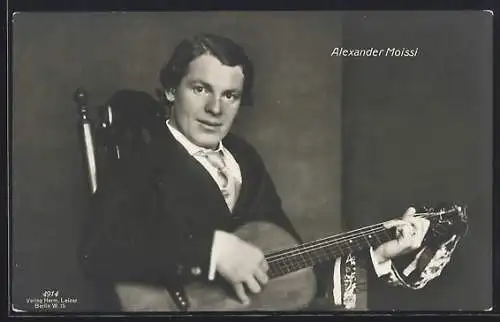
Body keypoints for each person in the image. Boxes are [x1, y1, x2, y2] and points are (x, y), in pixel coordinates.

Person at [80, 33, 465, 311]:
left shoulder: (245, 158)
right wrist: (212, 253)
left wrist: (379, 252)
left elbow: (284, 265)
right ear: (169, 91)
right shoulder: (139, 164)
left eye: (229, 95)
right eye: (200, 89)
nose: (216, 108)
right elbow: (98, 251)